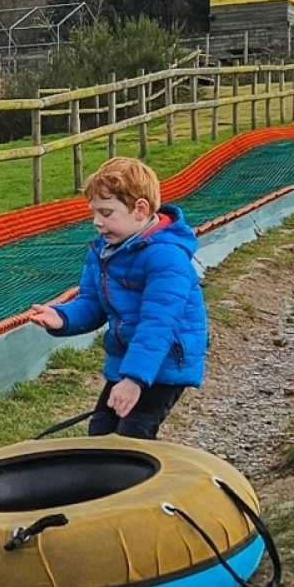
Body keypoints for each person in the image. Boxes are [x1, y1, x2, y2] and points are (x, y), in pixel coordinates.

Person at [25, 157, 209, 439]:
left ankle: (143, 483)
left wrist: (134, 379)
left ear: (140, 209)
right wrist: (62, 317)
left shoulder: (167, 256)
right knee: (101, 430)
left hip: (164, 360)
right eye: (94, 213)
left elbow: (158, 323)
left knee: (131, 435)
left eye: (107, 212)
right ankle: (105, 483)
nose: (97, 222)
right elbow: (92, 303)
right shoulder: (103, 251)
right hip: (127, 357)